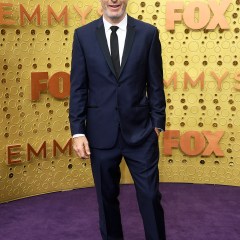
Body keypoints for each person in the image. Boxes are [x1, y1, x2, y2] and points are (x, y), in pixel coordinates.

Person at [69, 0, 166, 239]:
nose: (114, 0)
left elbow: (155, 83)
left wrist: (157, 123)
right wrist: (77, 131)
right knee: (106, 200)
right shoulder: (83, 36)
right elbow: (78, 87)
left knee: (150, 196)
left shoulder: (148, 34)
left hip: (141, 133)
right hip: (100, 134)